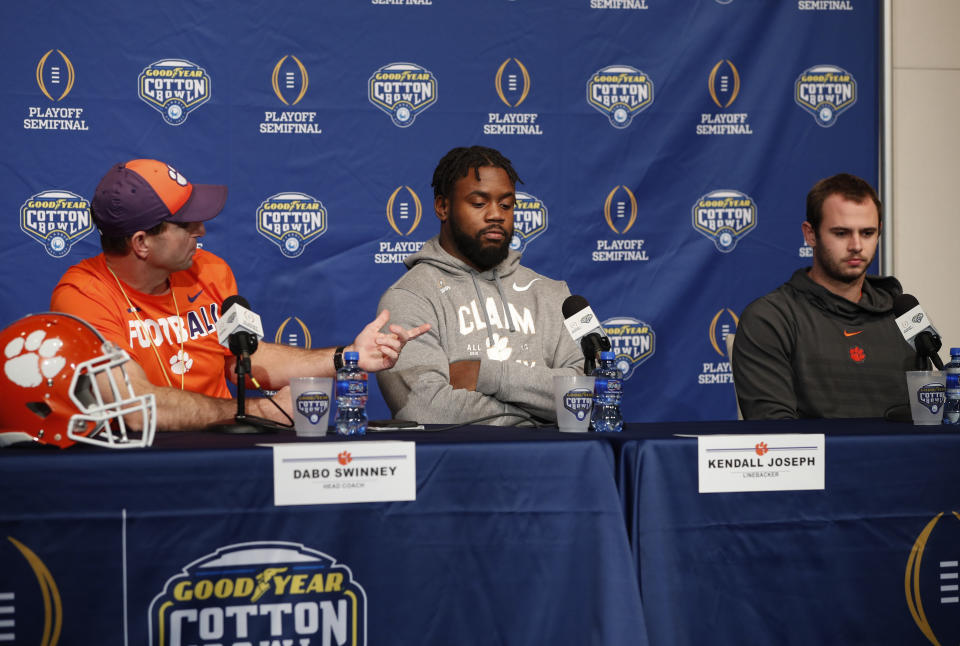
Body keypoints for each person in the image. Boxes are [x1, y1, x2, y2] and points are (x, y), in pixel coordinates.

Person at [50, 159, 429, 431]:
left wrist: (347, 357)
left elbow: (244, 359)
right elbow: (134, 408)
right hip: (140, 461)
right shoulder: (82, 296)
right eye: (186, 224)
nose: (201, 229)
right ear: (141, 243)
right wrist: (255, 413)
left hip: (222, 450)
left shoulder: (209, 270)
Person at [376, 146, 584, 425]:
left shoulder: (554, 294)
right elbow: (426, 410)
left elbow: (593, 398)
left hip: (556, 465)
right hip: (459, 467)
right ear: (443, 206)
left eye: (506, 205)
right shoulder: (409, 297)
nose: (496, 215)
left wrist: (486, 375)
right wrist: (540, 414)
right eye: (479, 203)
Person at [732, 173, 916, 419]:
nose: (856, 245)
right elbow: (775, 435)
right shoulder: (769, 319)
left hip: (905, 458)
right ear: (810, 234)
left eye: (867, 232)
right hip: (819, 459)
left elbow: (936, 411)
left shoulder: (906, 313)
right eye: (841, 233)